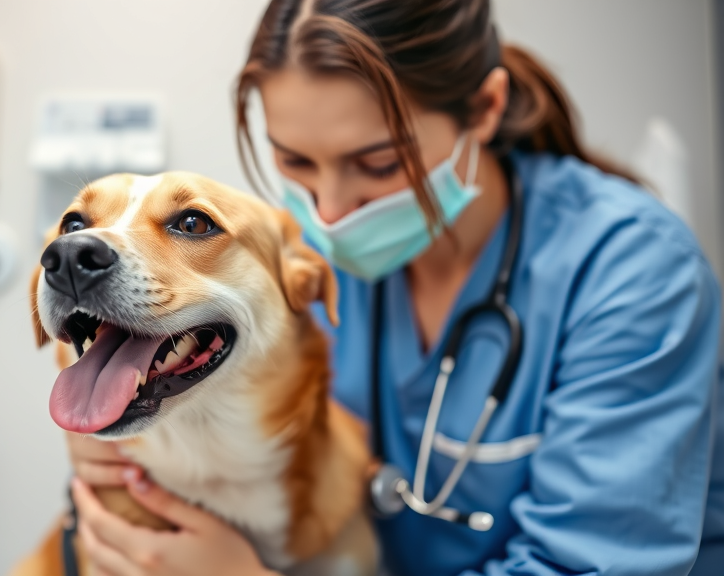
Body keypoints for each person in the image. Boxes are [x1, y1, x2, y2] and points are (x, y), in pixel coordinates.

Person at [65, 0, 724, 574]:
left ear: (486, 110)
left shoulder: (626, 269)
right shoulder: (291, 256)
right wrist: (110, 413)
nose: (329, 212)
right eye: (294, 161)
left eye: (378, 163)